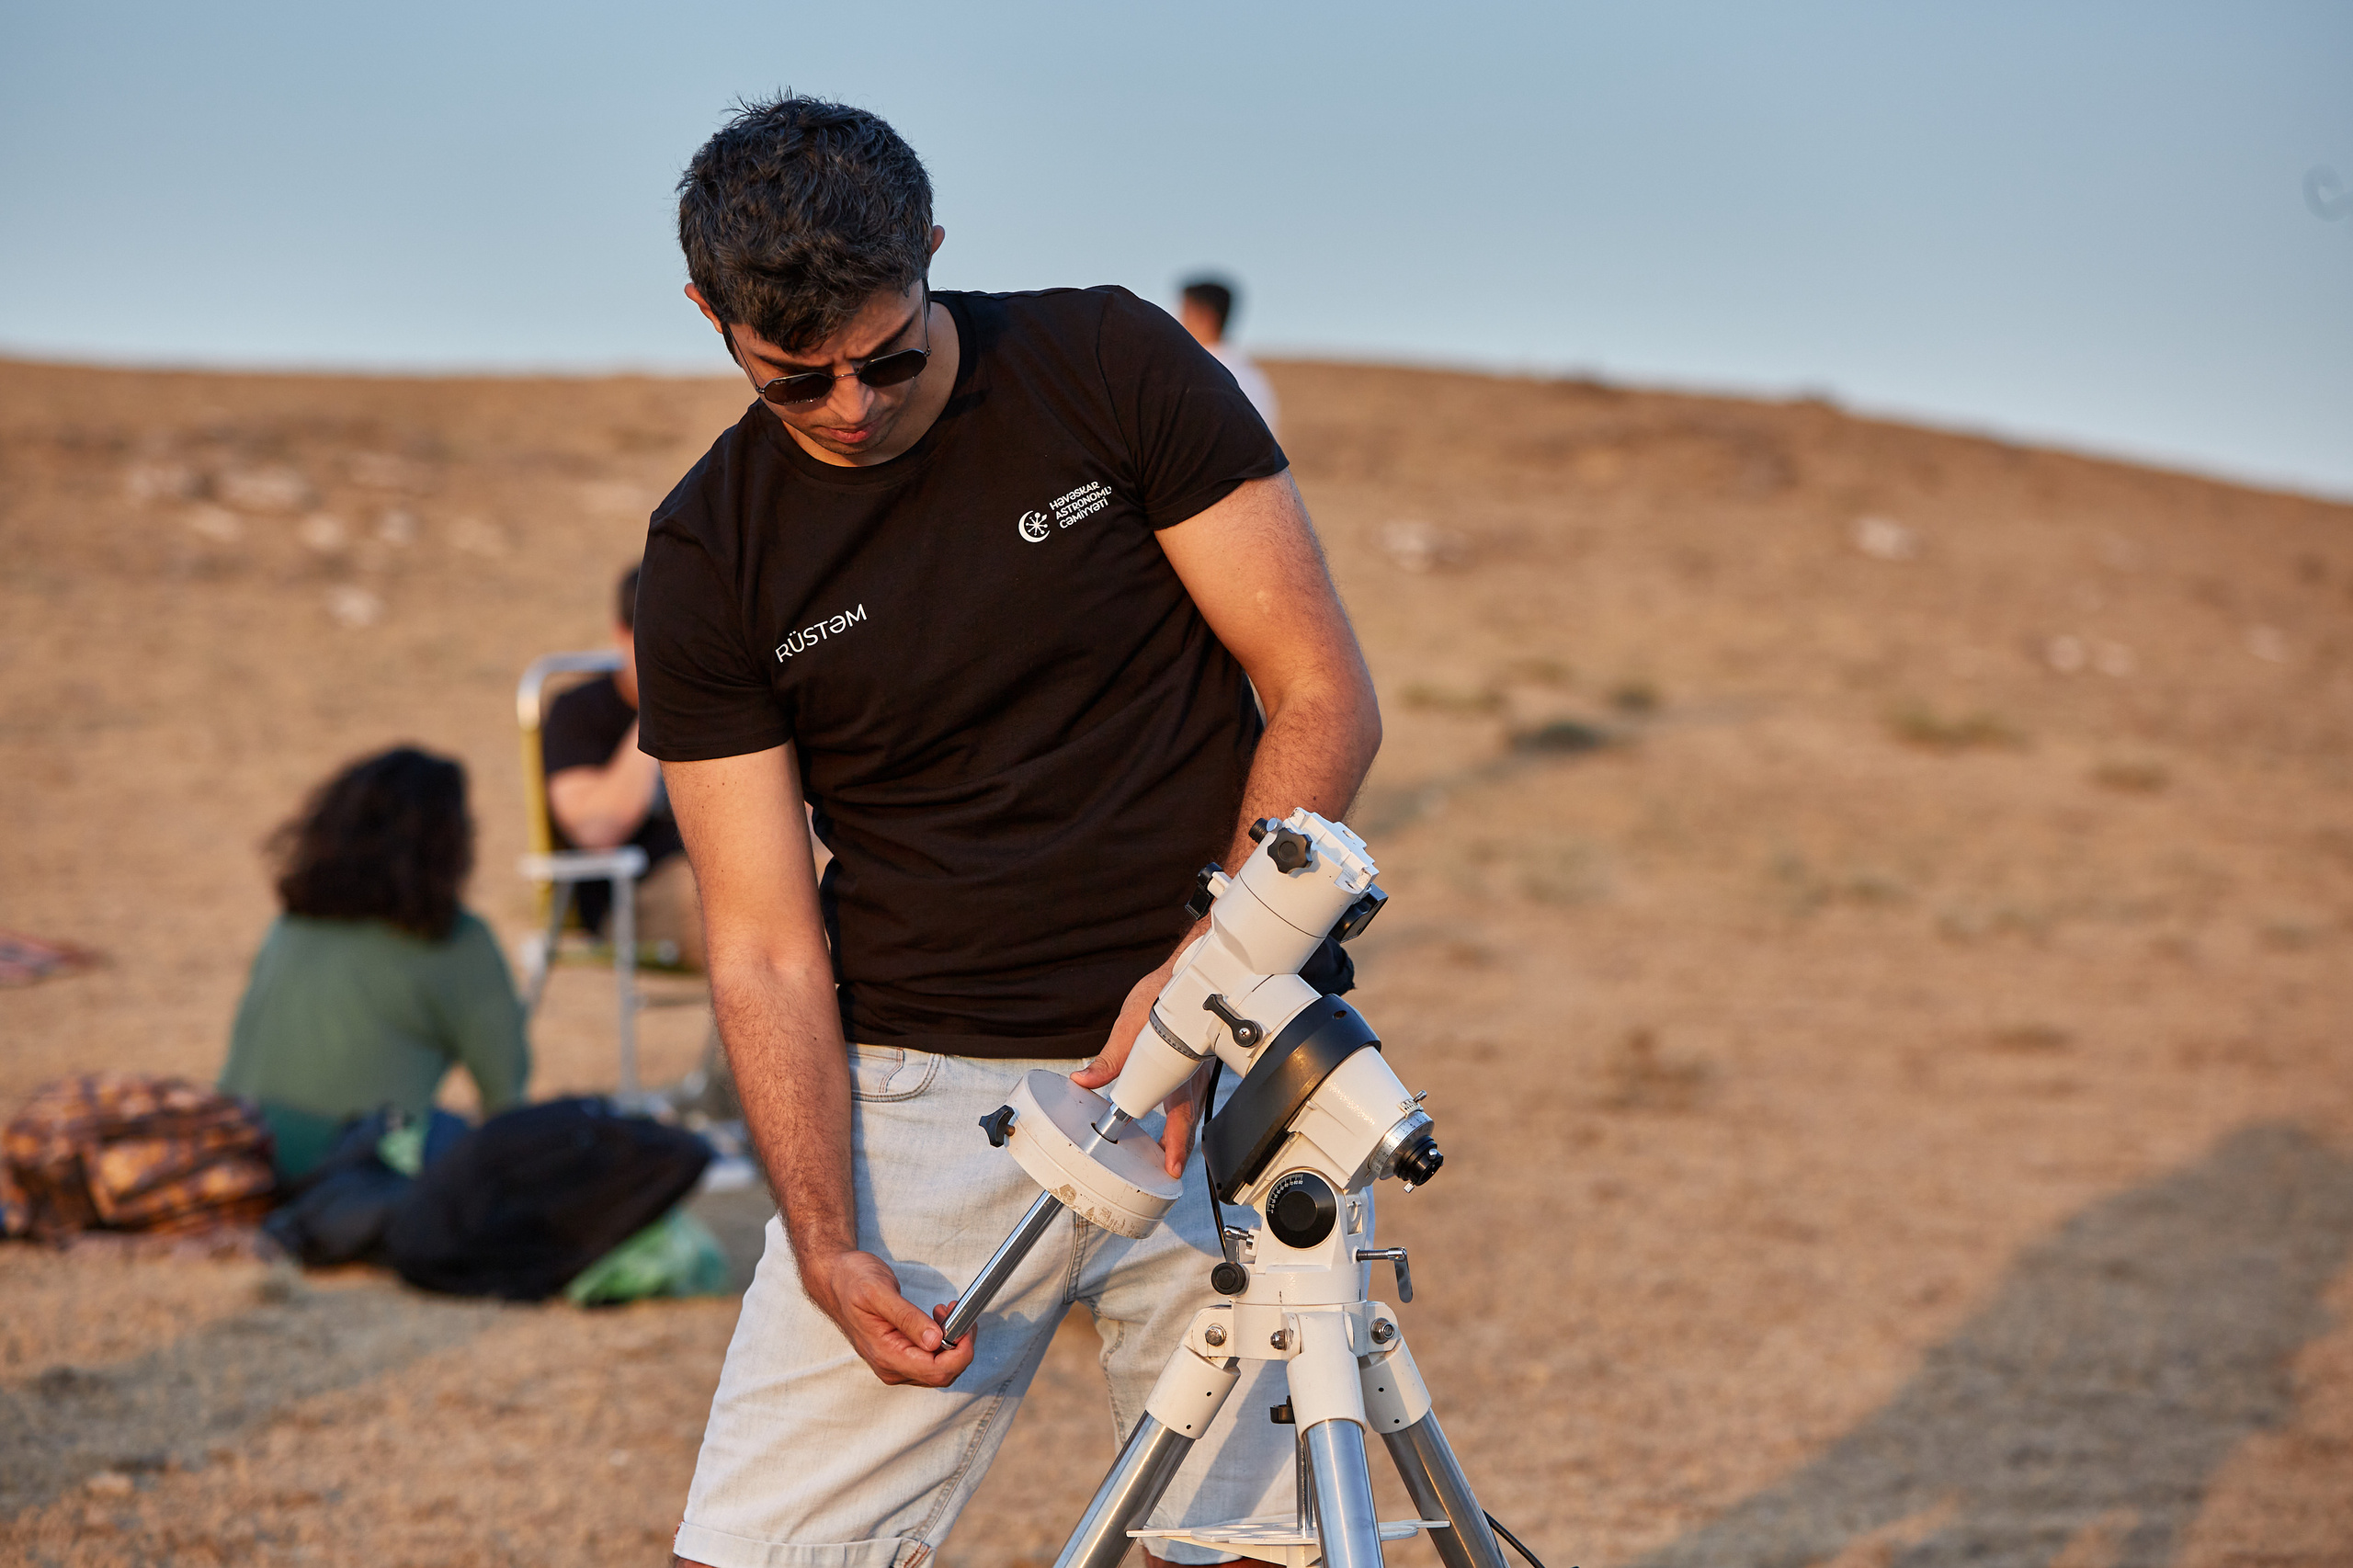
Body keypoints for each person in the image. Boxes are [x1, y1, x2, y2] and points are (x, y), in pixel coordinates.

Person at [640, 97, 1380, 1568]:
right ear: (709, 316)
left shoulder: (1110, 364)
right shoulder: (709, 555)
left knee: (1244, 1552)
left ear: (928, 252)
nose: (854, 406)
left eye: (889, 356)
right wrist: (824, 1235)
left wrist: (1207, 967)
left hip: (1219, 1057)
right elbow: (767, 942)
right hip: (917, 1091)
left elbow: (1321, 697)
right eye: (798, 382)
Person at [219, 746, 529, 1181]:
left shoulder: (289, 925)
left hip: (239, 1150)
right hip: (355, 1167)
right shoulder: (459, 942)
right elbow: (505, 1101)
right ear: (448, 842)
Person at [543, 564, 704, 971]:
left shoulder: (721, 701)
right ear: (621, 634)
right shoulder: (578, 712)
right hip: (631, 897)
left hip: (718, 874)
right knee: (739, 904)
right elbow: (597, 829)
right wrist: (662, 708)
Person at [1179, 275, 1280, 437]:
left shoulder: (1202, 373)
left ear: (1204, 318)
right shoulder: (1251, 374)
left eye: (1183, 314)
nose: (1177, 322)